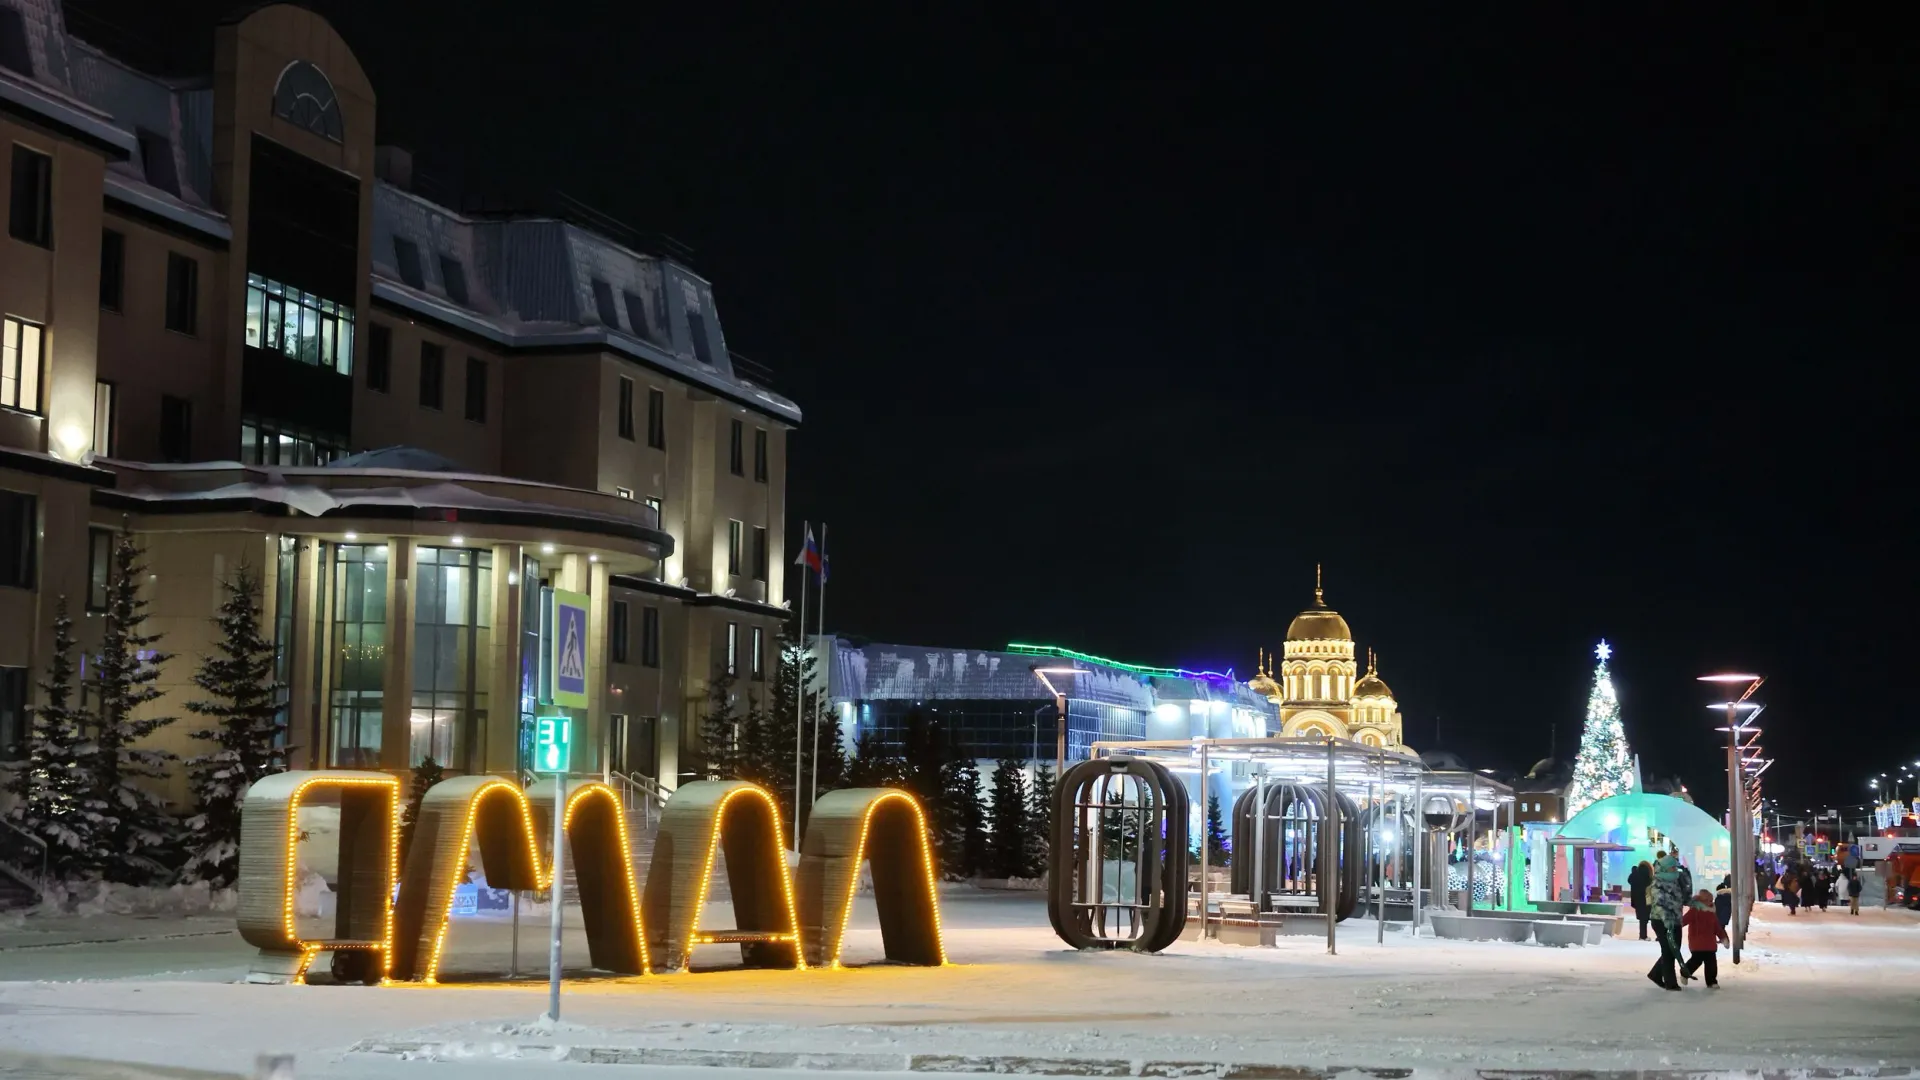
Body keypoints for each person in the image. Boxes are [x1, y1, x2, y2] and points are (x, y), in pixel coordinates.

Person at [1646, 850, 1685, 991]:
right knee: (1668, 950)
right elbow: (1659, 904)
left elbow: (1680, 899)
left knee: (1674, 949)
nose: (1675, 870)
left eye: (1675, 867)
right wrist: (1666, 920)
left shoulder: (1674, 881)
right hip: (1661, 921)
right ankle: (1670, 982)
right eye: (1672, 868)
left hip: (1675, 920)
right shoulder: (1658, 883)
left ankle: (1656, 974)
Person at [1680, 889, 1730, 988]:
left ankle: (1712, 981)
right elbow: (1684, 921)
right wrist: (1674, 926)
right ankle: (1685, 972)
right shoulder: (1694, 911)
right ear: (1701, 900)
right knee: (1696, 960)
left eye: (1712, 900)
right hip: (1697, 942)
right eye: (1708, 900)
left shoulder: (1712, 913)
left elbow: (1717, 928)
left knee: (1711, 963)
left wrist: (1724, 938)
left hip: (1710, 944)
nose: (1711, 902)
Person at [1629, 860, 1653, 940]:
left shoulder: (1635, 874)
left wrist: (1633, 871)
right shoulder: (1649, 874)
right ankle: (1647, 936)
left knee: (1642, 919)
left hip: (1637, 899)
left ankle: (1642, 935)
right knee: (1648, 918)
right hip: (1647, 898)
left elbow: (1630, 880)